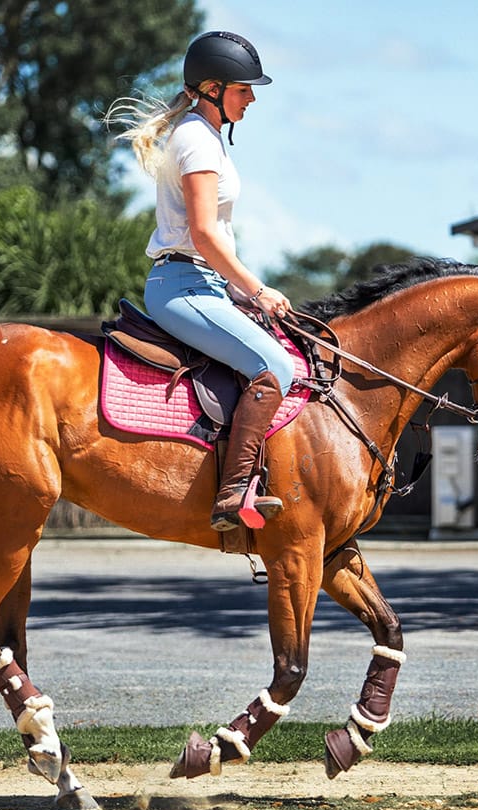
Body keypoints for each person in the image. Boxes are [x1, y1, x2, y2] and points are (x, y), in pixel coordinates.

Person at [110, 31, 295, 532]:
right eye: (243, 89)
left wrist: (237, 290)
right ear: (213, 89)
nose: (251, 98)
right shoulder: (195, 139)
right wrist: (258, 290)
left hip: (204, 283)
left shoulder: (207, 137)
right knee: (274, 366)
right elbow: (204, 235)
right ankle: (233, 492)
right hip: (182, 285)